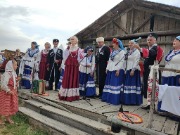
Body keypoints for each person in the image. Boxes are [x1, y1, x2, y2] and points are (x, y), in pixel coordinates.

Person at [134, 33, 161, 109]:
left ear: (155, 40)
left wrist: (140, 49)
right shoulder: (151, 48)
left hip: (153, 71)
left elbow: (151, 54)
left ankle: (153, 105)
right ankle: (149, 104)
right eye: (148, 40)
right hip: (148, 71)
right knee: (148, 87)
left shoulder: (156, 48)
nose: (149, 41)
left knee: (152, 87)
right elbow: (145, 55)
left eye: (150, 40)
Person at [158, 36, 180, 112]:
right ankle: (163, 109)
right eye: (174, 40)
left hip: (175, 75)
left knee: (173, 93)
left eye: (176, 40)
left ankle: (173, 111)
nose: (174, 41)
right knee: (165, 91)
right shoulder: (171, 52)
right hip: (166, 74)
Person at [59, 36, 83, 101]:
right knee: (67, 79)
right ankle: (65, 94)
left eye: (73, 39)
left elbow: (81, 59)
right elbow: (64, 57)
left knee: (73, 79)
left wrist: (79, 64)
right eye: (71, 39)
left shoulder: (79, 50)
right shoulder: (67, 49)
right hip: (68, 66)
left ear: (76, 41)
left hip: (74, 67)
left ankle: (72, 95)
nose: (72, 40)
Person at [102, 38, 125, 105]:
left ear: (117, 44)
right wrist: (107, 68)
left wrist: (118, 70)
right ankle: (108, 98)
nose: (113, 45)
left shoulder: (122, 52)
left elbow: (122, 61)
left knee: (115, 84)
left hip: (116, 69)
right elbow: (109, 60)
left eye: (114, 43)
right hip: (111, 69)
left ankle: (114, 100)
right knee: (109, 84)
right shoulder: (112, 52)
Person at [123, 39, 142, 105]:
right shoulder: (128, 52)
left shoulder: (137, 52)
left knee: (132, 85)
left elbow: (136, 61)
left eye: (132, 43)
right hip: (128, 69)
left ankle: (133, 101)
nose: (130, 45)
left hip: (134, 70)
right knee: (128, 85)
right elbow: (125, 60)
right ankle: (127, 100)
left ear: (135, 44)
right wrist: (125, 69)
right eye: (129, 43)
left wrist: (133, 70)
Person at [0, 60, 18, 124]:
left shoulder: (14, 73)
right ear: (11, 65)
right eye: (15, 65)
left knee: (11, 105)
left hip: (12, 92)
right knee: (4, 105)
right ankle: (1, 119)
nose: (16, 66)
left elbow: (14, 82)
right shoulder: (7, 74)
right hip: (6, 93)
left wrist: (16, 83)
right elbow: (3, 84)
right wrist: (8, 90)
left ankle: (8, 118)